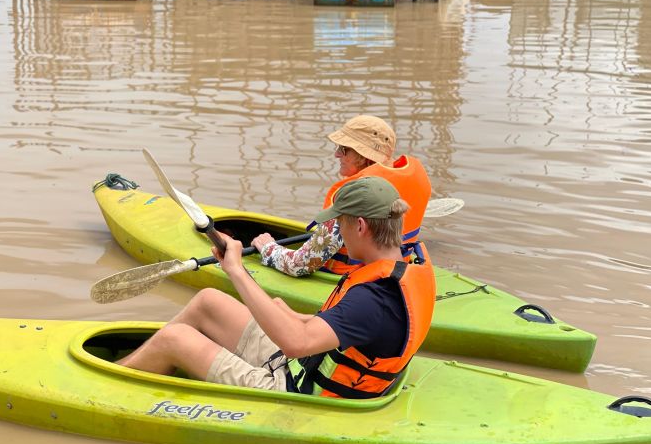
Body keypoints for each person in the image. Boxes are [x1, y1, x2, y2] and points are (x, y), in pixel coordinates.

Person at [117, 177, 436, 398]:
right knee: (209, 301)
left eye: (339, 224)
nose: (336, 231)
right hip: (302, 365)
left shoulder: (375, 299)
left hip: (299, 393)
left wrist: (237, 272)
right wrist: (295, 316)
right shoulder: (409, 261)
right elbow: (352, 330)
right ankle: (143, 361)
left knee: (176, 338)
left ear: (361, 226)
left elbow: (297, 344)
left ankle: (112, 380)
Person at [251, 115, 432, 277]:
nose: (337, 154)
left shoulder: (355, 195)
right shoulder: (414, 179)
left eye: (344, 149)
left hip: (355, 279)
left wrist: (268, 248)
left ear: (364, 157)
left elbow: (300, 264)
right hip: (398, 269)